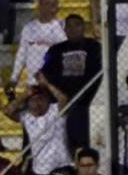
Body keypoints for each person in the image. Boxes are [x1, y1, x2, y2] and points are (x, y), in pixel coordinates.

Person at [4, 74, 72, 175]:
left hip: (60, 167)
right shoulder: (27, 117)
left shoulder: (55, 111)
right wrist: (24, 95)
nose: (37, 104)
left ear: (47, 99)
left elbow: (63, 99)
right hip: (39, 169)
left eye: (41, 99)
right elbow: (8, 111)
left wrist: (46, 84)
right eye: (33, 100)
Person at [41, 14, 102, 152]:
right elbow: (46, 73)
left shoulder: (93, 46)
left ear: (84, 28)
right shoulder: (55, 50)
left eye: (77, 25)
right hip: (61, 102)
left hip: (85, 102)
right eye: (69, 26)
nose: (73, 29)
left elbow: (96, 73)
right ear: (65, 30)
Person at [8, 0, 65, 91]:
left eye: (53, 5)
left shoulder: (61, 27)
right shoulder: (29, 28)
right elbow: (22, 54)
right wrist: (14, 77)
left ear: (57, 8)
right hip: (33, 82)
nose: (50, 8)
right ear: (39, 6)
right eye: (46, 4)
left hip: (54, 82)